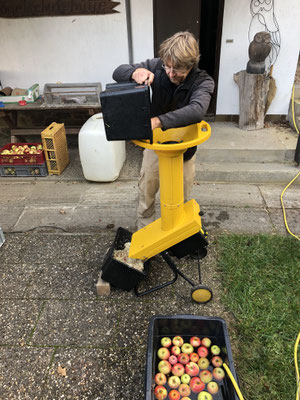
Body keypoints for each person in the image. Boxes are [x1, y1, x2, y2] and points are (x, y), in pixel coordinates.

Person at [113, 31, 214, 229]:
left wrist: (157, 121)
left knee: (181, 195)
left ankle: (178, 235)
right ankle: (145, 230)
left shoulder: (204, 81)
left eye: (177, 70)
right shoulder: (157, 66)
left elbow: (197, 110)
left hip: (184, 150)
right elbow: (118, 72)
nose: (170, 73)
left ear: (191, 64)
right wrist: (135, 73)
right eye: (167, 67)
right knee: (147, 190)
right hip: (156, 146)